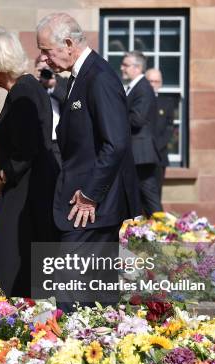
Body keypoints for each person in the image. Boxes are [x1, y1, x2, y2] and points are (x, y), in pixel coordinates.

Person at [36, 13, 141, 309]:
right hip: (86, 205)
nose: (44, 59)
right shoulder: (80, 76)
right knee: (97, 295)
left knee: (70, 292)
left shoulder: (99, 77)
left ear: (68, 44)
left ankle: (72, 349)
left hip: (91, 207)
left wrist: (90, 196)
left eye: (46, 50)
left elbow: (116, 142)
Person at [0, 28, 59, 297]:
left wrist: (2, 178)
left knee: (6, 259)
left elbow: (26, 149)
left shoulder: (24, 92)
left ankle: (7, 315)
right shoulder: (26, 89)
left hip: (26, 192)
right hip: (26, 189)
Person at [120, 51, 163, 216]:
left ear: (137, 68)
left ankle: (165, 234)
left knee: (149, 196)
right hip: (136, 153)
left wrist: (115, 118)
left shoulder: (143, 88)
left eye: (126, 65)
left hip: (141, 154)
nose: (122, 68)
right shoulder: (135, 87)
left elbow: (137, 119)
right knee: (139, 196)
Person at [145, 68, 175, 203]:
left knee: (156, 193)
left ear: (161, 83)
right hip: (140, 155)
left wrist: (156, 146)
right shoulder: (138, 102)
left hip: (159, 155)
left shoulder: (167, 103)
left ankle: (156, 224)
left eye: (156, 81)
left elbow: (169, 128)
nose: (153, 84)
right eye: (150, 81)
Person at [35, 55, 67, 166]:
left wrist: (52, 86)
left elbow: (67, 101)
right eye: (40, 70)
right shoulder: (32, 87)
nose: (44, 73)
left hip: (58, 140)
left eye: (46, 70)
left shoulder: (63, 82)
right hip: (39, 140)